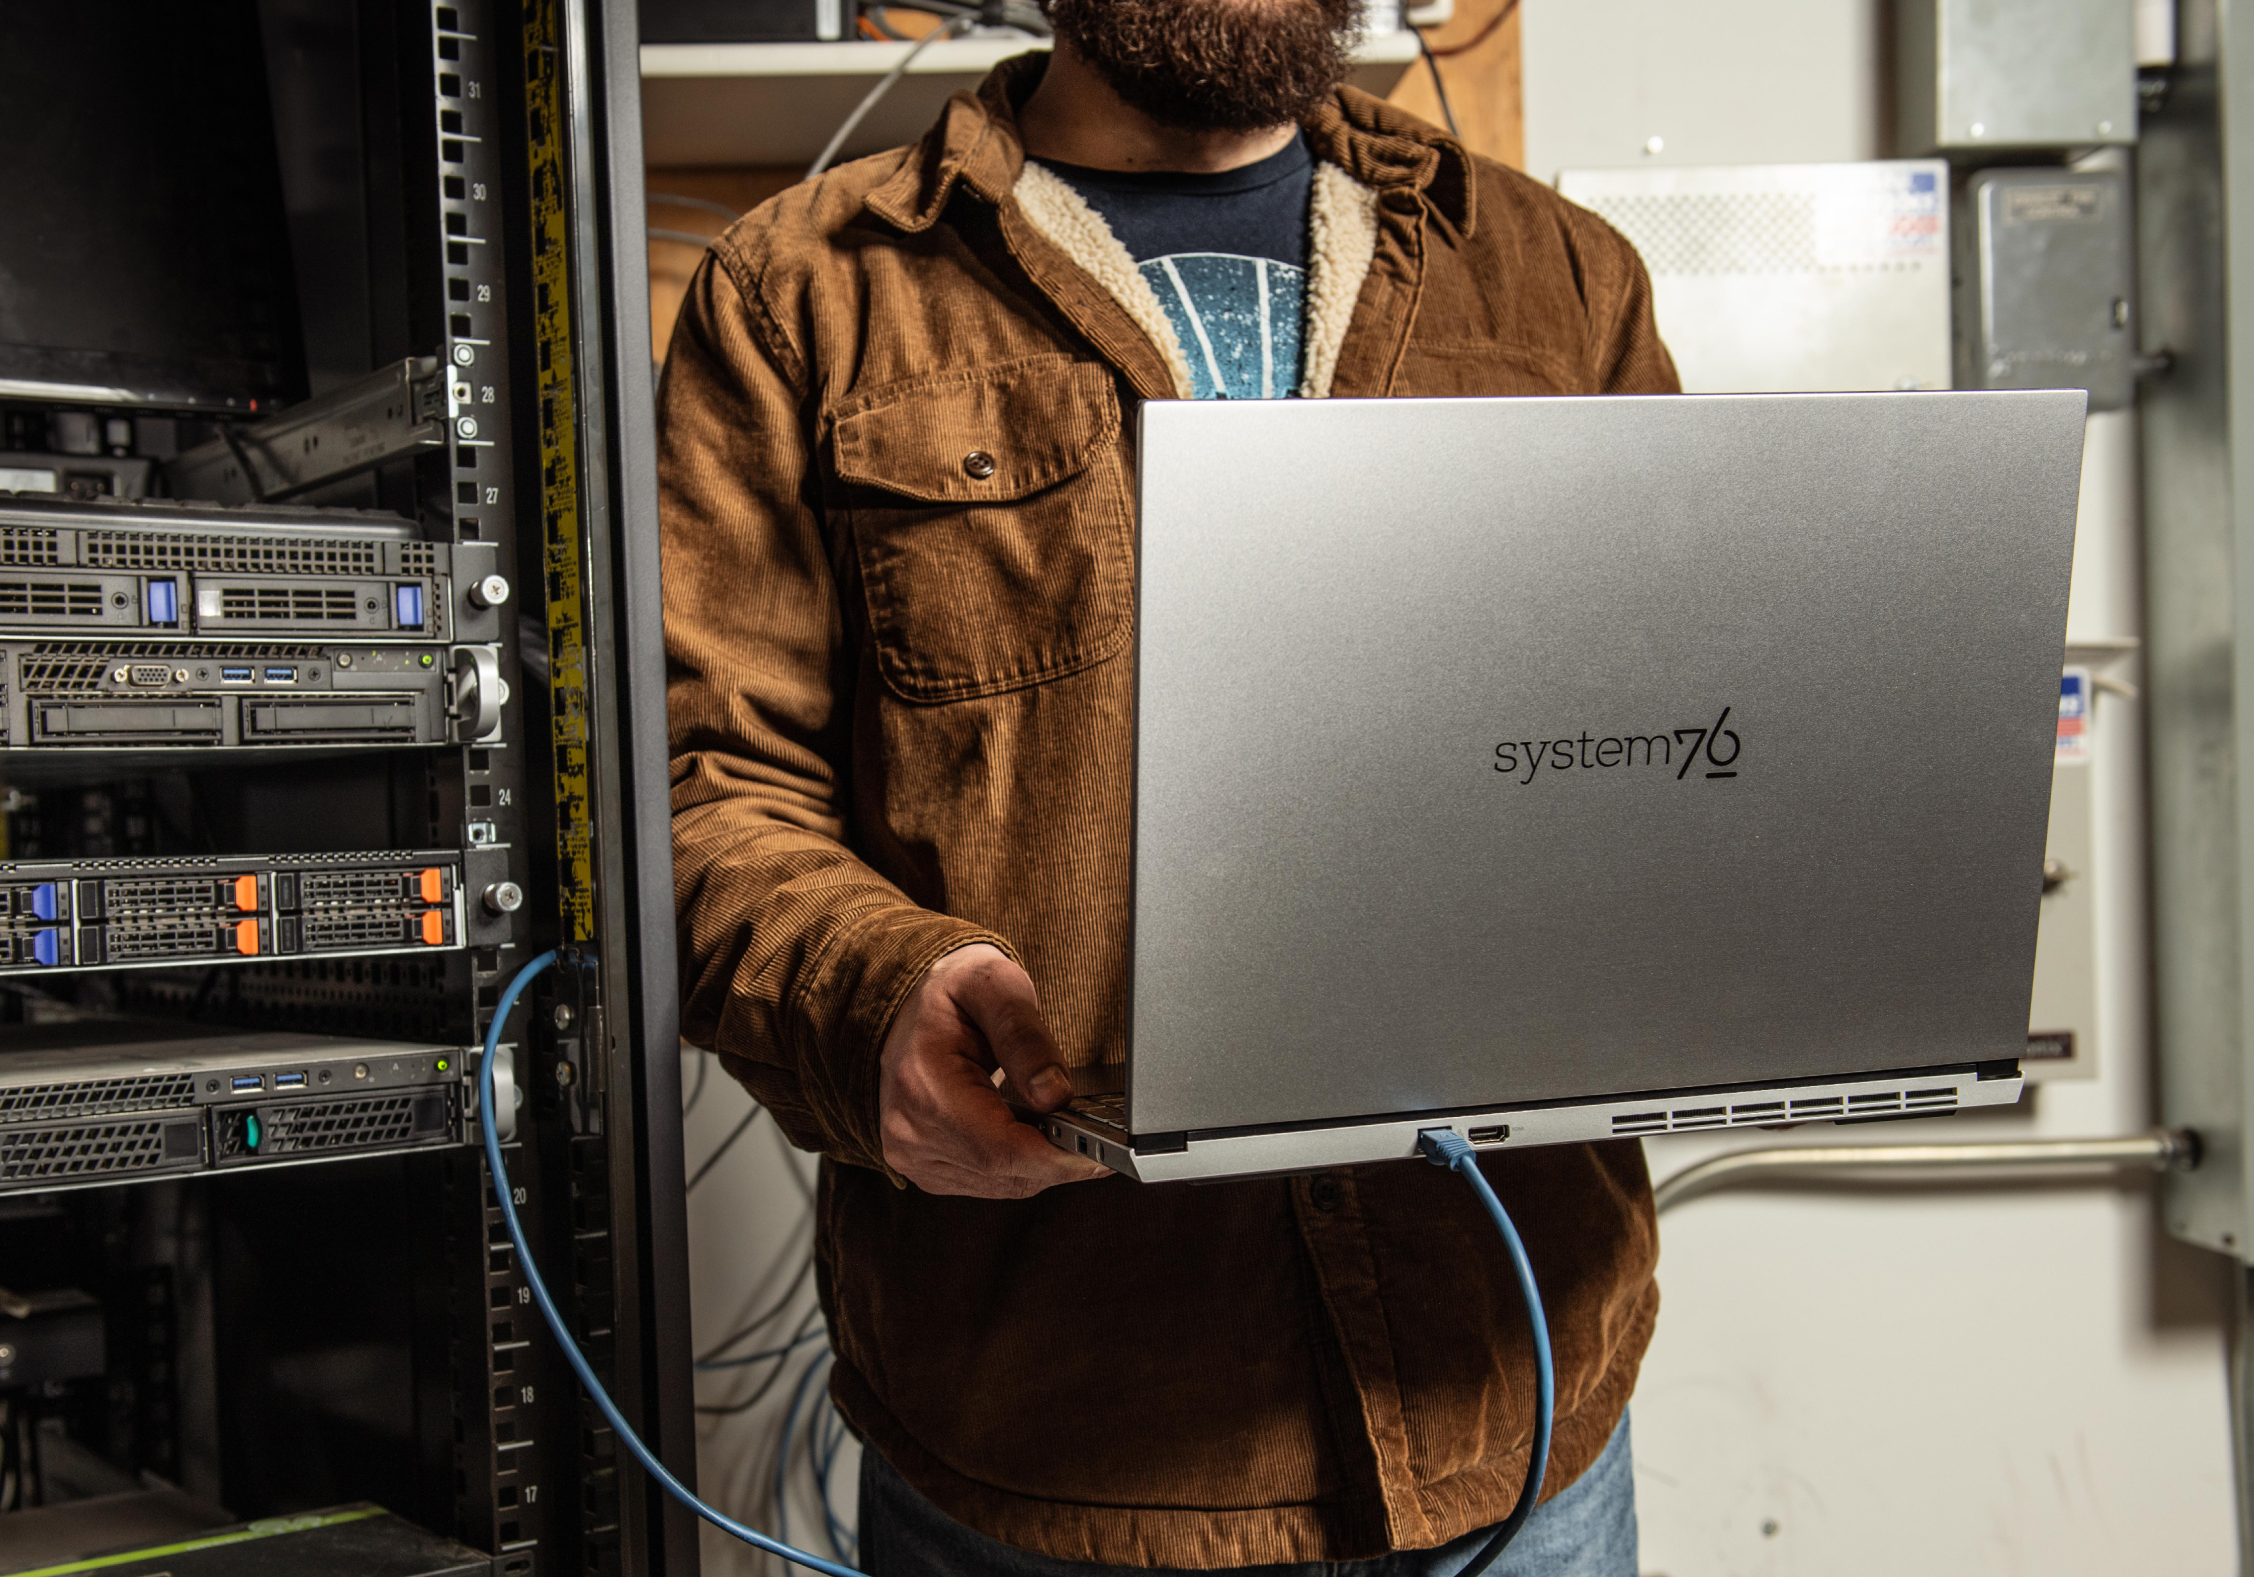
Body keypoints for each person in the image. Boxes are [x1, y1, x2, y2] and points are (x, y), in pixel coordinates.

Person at [661, 0, 1676, 1571]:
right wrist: (872, 993)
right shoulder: (804, 292)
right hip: (1056, 1426)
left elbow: (1679, 732)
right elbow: (708, 785)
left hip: (1512, 1404)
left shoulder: (1562, 280)